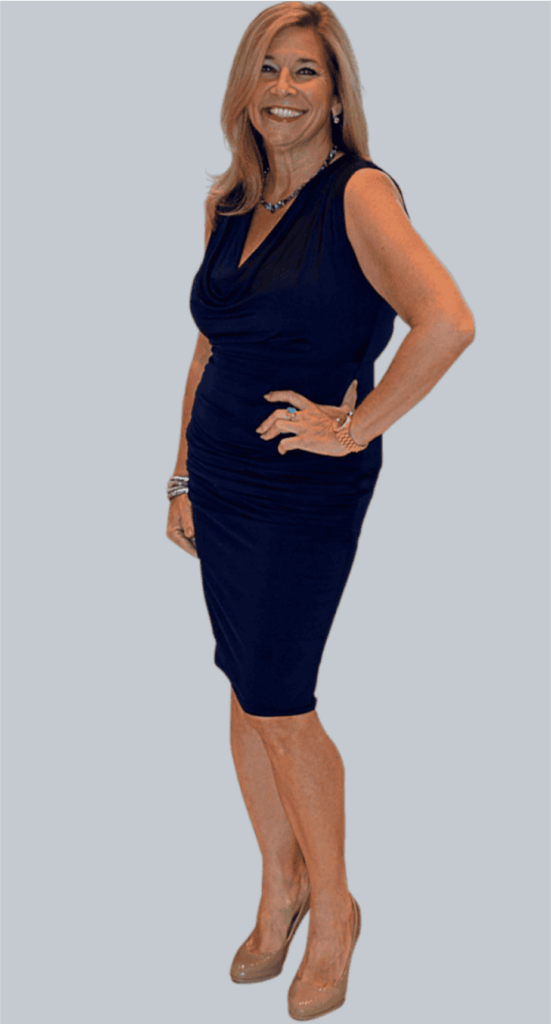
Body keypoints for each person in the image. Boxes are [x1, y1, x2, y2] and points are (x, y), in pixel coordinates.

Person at [166, 3, 475, 1019]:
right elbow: (210, 346)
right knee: (244, 681)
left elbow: (447, 321)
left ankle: (334, 911)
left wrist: (356, 427)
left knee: (281, 702)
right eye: (266, 69)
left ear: (335, 92)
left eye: (303, 70)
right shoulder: (228, 201)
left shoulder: (360, 194)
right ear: (243, 89)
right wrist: (179, 474)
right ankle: (279, 883)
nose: (282, 89)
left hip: (301, 489)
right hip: (220, 473)